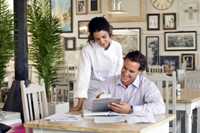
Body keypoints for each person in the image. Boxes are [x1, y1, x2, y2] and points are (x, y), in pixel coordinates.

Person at [72, 17, 123, 111]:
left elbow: (118, 71)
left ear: (109, 33)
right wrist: (80, 103)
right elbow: (83, 76)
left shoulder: (117, 47)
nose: (102, 42)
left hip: (112, 91)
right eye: (97, 39)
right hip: (93, 92)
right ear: (92, 37)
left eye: (104, 37)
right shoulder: (87, 50)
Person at [97, 51, 165, 114]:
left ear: (140, 72)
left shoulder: (147, 85)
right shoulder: (109, 82)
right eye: (124, 68)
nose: (126, 73)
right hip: (111, 124)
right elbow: (96, 102)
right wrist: (99, 100)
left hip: (137, 125)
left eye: (131, 71)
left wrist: (131, 109)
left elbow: (160, 108)